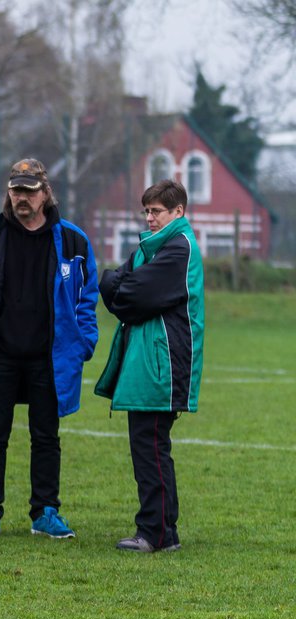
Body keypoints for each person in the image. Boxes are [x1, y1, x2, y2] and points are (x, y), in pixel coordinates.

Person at [0, 158, 99, 539]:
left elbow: (88, 296)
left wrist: (84, 342)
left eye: (29, 191)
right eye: (16, 190)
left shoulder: (73, 241)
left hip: (49, 356)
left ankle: (45, 512)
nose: (21, 197)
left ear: (45, 193)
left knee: (47, 436)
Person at [95, 179, 204, 553]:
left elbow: (134, 295)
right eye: (147, 211)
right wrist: (119, 287)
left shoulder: (179, 249)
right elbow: (112, 285)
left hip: (164, 365)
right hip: (144, 363)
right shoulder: (151, 249)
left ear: (179, 212)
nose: (150, 218)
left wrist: (120, 288)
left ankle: (154, 533)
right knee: (150, 446)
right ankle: (164, 532)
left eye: (156, 211)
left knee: (151, 447)